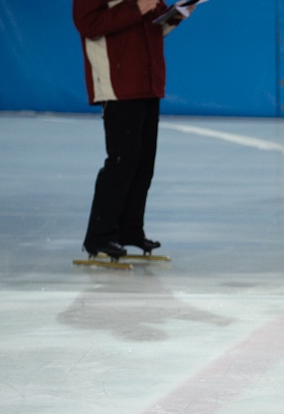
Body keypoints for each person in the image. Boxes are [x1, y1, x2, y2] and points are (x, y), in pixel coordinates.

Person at [73, 0, 194, 258]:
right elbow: (87, 25)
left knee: (143, 162)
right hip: (117, 83)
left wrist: (177, 14)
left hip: (146, 80)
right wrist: (135, 9)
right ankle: (99, 237)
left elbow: (154, 27)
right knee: (122, 161)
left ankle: (129, 230)